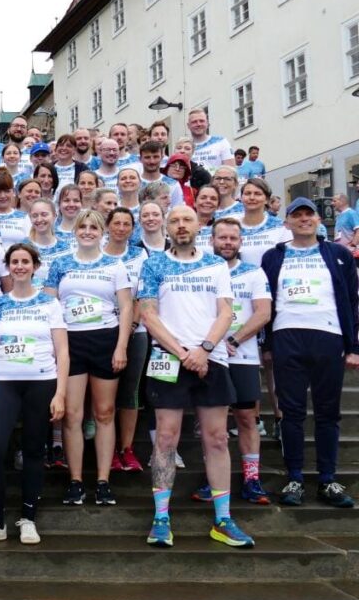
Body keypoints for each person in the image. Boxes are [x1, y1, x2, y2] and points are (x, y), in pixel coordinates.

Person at [139, 205, 254, 548]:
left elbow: (226, 311)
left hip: (211, 357)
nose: (180, 225)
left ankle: (223, 519)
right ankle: (161, 517)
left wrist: (203, 350)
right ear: (167, 227)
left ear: (198, 225)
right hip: (168, 358)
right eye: (173, 220)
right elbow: (148, 314)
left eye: (186, 219)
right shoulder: (153, 263)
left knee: (217, 437)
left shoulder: (215, 264)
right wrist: (183, 352)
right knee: (165, 438)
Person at [261, 198, 359, 508]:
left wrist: (353, 347)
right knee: (291, 411)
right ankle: (295, 478)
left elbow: (353, 303)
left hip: (328, 336)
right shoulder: (272, 257)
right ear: (286, 222)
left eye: (308, 214)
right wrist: (266, 345)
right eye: (297, 215)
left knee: (328, 411)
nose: (303, 220)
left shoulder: (339, 254)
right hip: (286, 336)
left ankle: (328, 478)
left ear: (318, 220)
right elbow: (264, 303)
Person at [0, 243, 68, 546]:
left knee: (35, 450)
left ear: (35, 266)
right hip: (6, 383)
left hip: (41, 381)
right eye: (15, 262)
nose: (20, 266)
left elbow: (62, 351)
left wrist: (60, 393)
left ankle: (28, 517)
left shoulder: (49, 303)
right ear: (8, 266)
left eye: (26, 261)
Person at [46, 209, 132, 506]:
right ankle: (75, 480)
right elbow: (49, 305)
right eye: (82, 226)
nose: (87, 231)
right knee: (72, 414)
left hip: (105, 338)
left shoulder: (115, 265)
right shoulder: (60, 264)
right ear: (75, 231)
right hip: (71, 341)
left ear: (101, 232)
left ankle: (103, 480)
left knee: (105, 412)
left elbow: (126, 308)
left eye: (93, 227)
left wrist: (121, 346)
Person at [199, 217, 273, 505]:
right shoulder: (203, 271)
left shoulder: (253, 273)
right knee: (211, 423)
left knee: (246, 417)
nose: (227, 243)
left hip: (241, 356)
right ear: (212, 240)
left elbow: (263, 313)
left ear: (240, 242)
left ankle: (251, 478)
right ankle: (212, 477)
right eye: (222, 238)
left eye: (233, 238)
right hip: (211, 356)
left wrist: (233, 340)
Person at [103, 208, 148, 473]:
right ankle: (107, 448)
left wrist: (131, 324)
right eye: (116, 223)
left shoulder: (139, 254)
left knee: (130, 390)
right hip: (105, 329)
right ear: (107, 226)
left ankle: (126, 448)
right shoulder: (98, 254)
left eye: (126, 224)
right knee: (104, 393)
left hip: (135, 330)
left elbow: (142, 294)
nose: (121, 228)